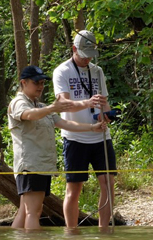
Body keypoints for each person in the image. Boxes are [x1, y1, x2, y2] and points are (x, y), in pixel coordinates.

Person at [8, 65, 106, 229]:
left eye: (42, 83)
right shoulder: (19, 102)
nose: (40, 86)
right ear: (23, 82)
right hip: (30, 166)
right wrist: (53, 107)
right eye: (36, 82)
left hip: (40, 166)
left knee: (25, 212)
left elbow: (64, 123)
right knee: (34, 212)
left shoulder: (40, 106)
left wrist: (91, 127)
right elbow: (28, 115)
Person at [52, 30, 116, 228]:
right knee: (74, 187)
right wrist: (88, 102)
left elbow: (104, 102)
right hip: (75, 138)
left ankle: (104, 231)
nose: (87, 58)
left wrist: (107, 115)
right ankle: (71, 233)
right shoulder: (62, 71)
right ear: (74, 49)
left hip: (101, 137)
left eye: (90, 54)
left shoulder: (97, 71)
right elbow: (63, 103)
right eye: (83, 54)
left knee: (108, 183)